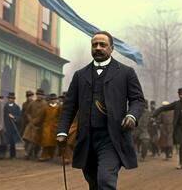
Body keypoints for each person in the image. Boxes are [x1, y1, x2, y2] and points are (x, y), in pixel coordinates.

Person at [57, 31, 145, 190]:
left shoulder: (126, 73)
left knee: (106, 180)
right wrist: (62, 131)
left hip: (112, 138)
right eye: (94, 44)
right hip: (87, 138)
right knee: (93, 182)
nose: (98, 48)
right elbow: (69, 106)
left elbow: (138, 100)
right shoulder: (80, 75)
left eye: (102, 45)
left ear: (111, 48)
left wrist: (132, 116)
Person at [23, 89, 46, 160]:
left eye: (41, 95)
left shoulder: (45, 104)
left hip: (40, 126)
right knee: (28, 139)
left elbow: (46, 116)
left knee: (38, 141)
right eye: (38, 94)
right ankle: (27, 153)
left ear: (43, 96)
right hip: (31, 125)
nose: (39, 96)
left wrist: (40, 122)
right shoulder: (32, 103)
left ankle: (36, 153)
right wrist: (31, 120)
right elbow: (27, 113)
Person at [39, 93, 61, 161]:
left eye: (54, 99)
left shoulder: (59, 107)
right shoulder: (45, 107)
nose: (53, 100)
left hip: (55, 126)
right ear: (49, 100)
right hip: (46, 126)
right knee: (45, 141)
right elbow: (41, 117)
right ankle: (44, 156)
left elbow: (60, 117)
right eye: (51, 99)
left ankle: (51, 155)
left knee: (53, 142)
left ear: (56, 100)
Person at [3, 92, 21, 159]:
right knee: (4, 140)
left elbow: (19, 117)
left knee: (12, 142)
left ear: (14, 99)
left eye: (12, 98)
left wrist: (13, 117)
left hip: (13, 126)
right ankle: (2, 154)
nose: (10, 99)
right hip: (6, 125)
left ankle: (12, 155)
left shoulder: (17, 107)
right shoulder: (5, 107)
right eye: (9, 98)